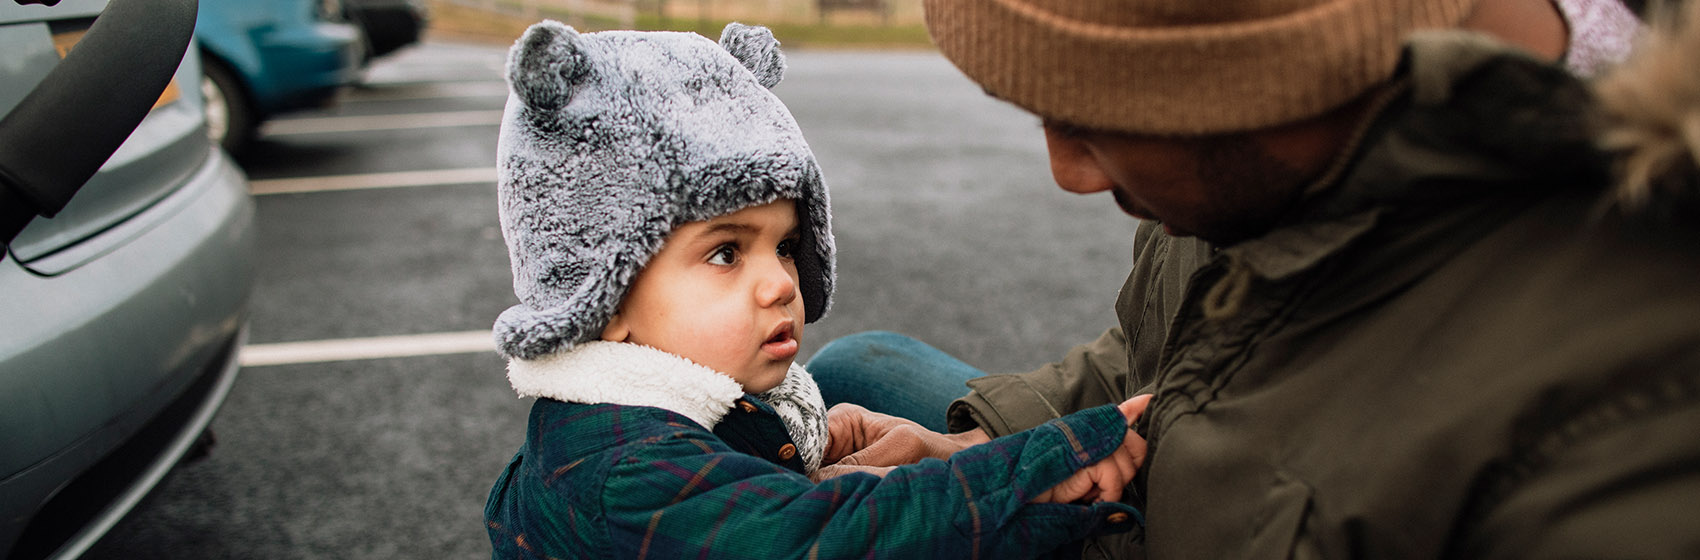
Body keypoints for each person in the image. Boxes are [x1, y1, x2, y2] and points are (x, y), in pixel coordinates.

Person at [811, 0, 1700, 557]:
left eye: (1094, 117)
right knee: (858, 370)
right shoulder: (1273, 157)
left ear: (1287, 75)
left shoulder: (1633, 411)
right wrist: (987, 457)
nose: (1068, 173)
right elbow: (1169, 349)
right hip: (1157, 497)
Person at [481, 20, 1155, 559]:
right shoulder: (627, 469)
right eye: (725, 253)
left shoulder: (677, 405)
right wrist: (1036, 470)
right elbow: (832, 540)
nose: (781, 281)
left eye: (784, 245)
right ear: (603, 300)